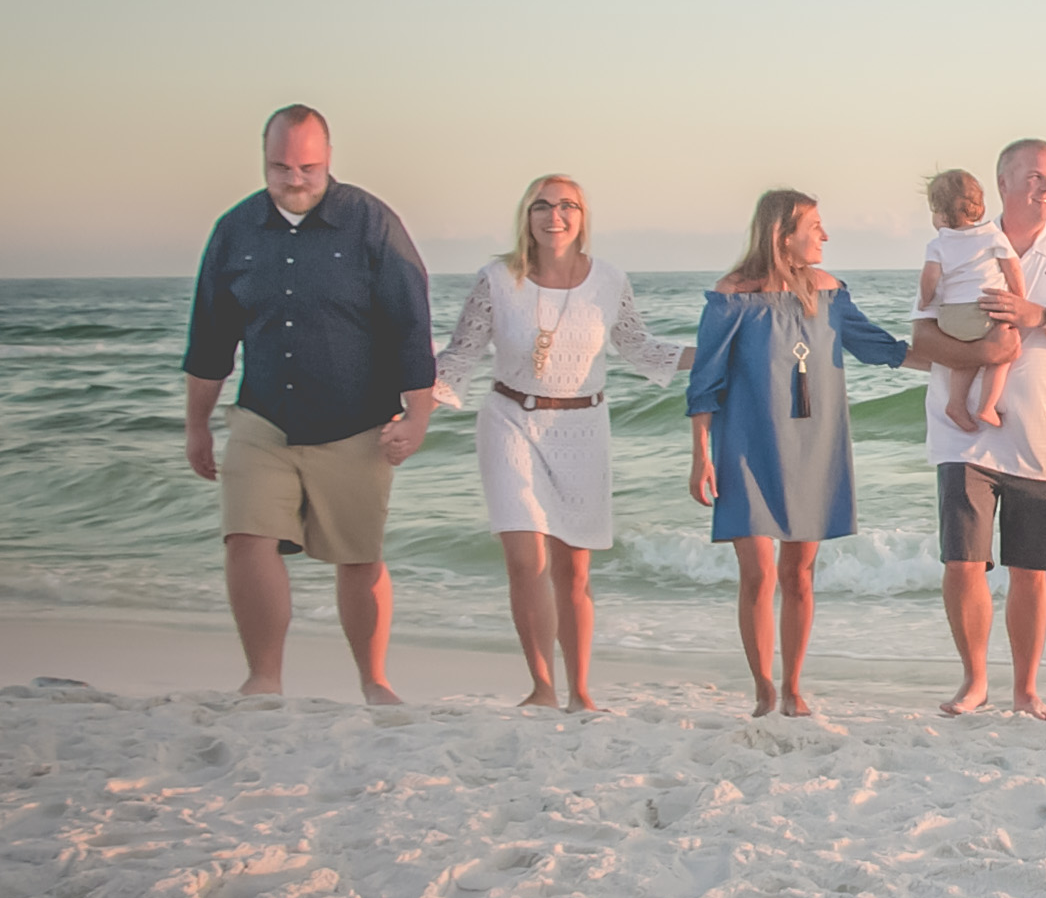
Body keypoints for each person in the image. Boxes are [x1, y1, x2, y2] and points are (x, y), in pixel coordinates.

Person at [182, 106, 435, 702]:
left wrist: (418, 415)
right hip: (263, 419)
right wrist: (197, 426)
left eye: (307, 167)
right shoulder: (235, 230)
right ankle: (264, 678)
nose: (294, 179)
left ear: (328, 159)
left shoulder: (371, 222)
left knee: (359, 555)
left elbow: (409, 325)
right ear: (263, 159)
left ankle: (374, 681)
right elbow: (210, 340)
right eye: (280, 167)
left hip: (355, 423)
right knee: (246, 538)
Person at [431, 174, 694, 711]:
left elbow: (641, 349)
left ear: (582, 216)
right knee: (526, 558)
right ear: (526, 216)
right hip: (510, 420)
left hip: (583, 428)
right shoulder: (496, 280)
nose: (555, 216)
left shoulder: (609, 280)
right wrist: (411, 409)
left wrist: (722, 354)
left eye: (567, 206)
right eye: (542, 206)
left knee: (574, 571)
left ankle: (580, 692)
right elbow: (459, 355)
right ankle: (542, 687)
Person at [686, 189, 908, 717]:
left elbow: (879, 347)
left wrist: (963, 359)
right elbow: (705, 381)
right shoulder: (733, 296)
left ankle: (793, 687)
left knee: (799, 574)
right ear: (783, 235)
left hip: (814, 444)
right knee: (758, 573)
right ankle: (764, 688)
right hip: (746, 445)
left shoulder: (828, 293)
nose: (825, 235)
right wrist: (701, 455)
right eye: (815, 226)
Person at [912, 139, 1046, 721]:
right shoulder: (960, 243)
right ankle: (974, 682)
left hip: (1043, 434)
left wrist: (1037, 315)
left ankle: (1026, 690)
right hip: (962, 431)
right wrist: (986, 350)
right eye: (1035, 177)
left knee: (1030, 570)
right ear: (1003, 184)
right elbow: (922, 335)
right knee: (962, 560)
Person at [918, 169, 1027, 434]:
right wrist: (1019, 298)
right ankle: (986, 406)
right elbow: (1012, 268)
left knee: (965, 356)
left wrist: (925, 300)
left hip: (951, 316)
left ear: (942, 214)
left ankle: (956, 403)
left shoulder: (937, 244)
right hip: (983, 310)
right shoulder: (992, 235)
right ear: (979, 207)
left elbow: (929, 277)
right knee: (1004, 351)